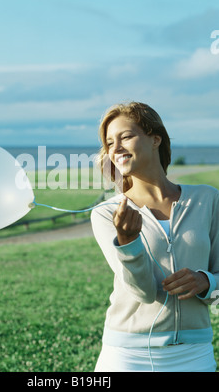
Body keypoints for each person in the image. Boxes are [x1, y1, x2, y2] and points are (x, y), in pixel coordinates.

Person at [91, 102, 218, 372]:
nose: (116, 148)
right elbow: (144, 292)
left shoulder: (207, 199)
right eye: (110, 142)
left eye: (125, 136)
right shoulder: (107, 213)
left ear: (155, 138)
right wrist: (128, 242)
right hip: (127, 356)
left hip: (195, 354)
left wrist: (207, 281)